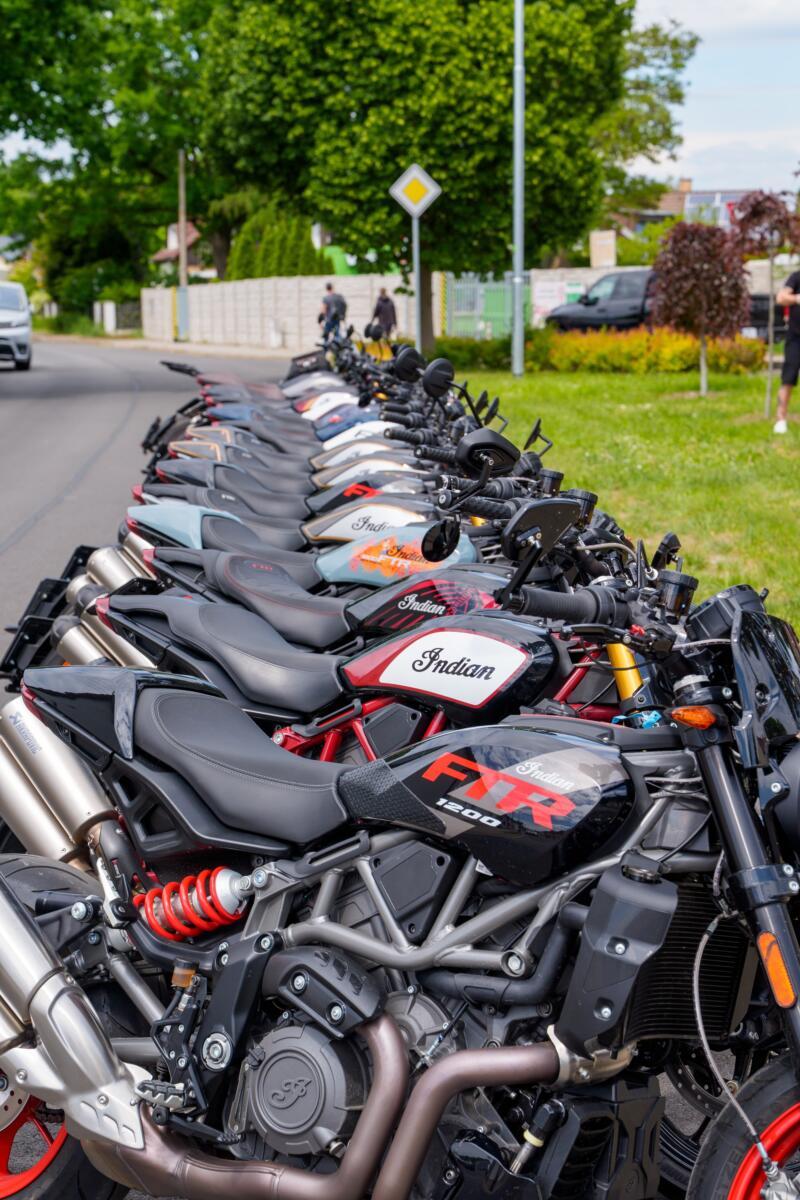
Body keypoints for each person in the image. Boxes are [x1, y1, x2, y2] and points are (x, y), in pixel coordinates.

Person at [774, 269, 800, 433]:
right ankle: (781, 419)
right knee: (788, 378)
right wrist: (797, 298)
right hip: (796, 337)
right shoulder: (796, 277)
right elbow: (781, 297)